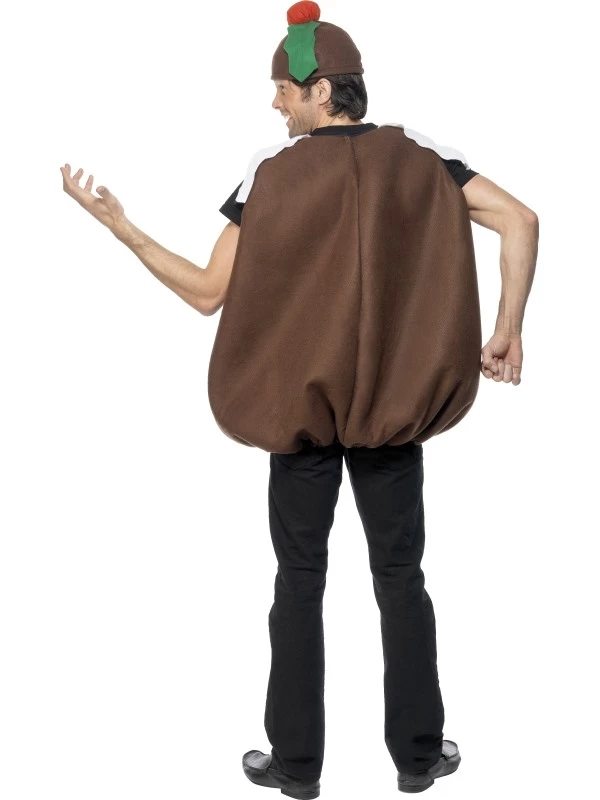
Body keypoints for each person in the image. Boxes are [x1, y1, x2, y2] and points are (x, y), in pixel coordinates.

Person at [59, 2, 539, 795]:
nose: (275, 103)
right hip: (391, 418)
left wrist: (124, 230)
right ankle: (419, 758)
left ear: (320, 90)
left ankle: (297, 767)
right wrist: (507, 330)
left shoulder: (271, 170)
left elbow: (208, 293)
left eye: (282, 89)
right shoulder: (427, 156)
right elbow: (520, 220)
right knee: (401, 580)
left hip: (302, 423)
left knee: (298, 583)